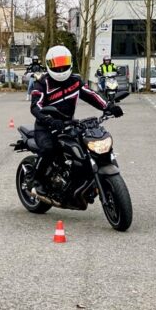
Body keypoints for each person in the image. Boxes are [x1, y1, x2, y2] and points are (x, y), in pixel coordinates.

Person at [30, 45, 123, 197]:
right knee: (49, 150)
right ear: (49, 64)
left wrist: (109, 106)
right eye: (56, 64)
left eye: (63, 62)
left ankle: (81, 182)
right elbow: (36, 106)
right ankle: (37, 181)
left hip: (68, 124)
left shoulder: (75, 80)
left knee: (85, 150)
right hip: (46, 127)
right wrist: (49, 120)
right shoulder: (42, 83)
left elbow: (91, 95)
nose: (60, 68)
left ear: (70, 62)